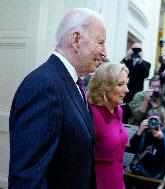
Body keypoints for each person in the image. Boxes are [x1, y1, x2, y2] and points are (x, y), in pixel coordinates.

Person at [9, 8, 106, 189]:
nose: (104, 52)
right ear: (76, 39)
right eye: (100, 42)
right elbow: (28, 178)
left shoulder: (74, 83)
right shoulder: (44, 85)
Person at [88, 63, 129, 189]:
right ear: (105, 86)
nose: (126, 90)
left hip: (117, 181)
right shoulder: (91, 113)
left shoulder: (118, 111)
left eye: (126, 84)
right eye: (120, 84)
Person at [126, 108, 165, 189]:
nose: (153, 123)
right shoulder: (144, 132)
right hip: (139, 171)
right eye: (151, 121)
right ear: (147, 121)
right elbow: (133, 147)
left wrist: (161, 138)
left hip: (155, 175)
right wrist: (139, 131)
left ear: (161, 122)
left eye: (156, 121)